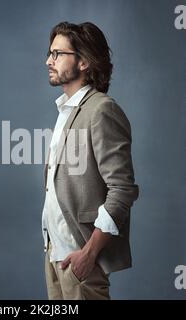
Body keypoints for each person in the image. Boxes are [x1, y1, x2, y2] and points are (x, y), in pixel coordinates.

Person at [41, 21, 139, 300]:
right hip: (55, 256)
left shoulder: (101, 110)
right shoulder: (65, 111)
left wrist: (89, 253)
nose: (49, 60)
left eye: (58, 54)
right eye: (50, 53)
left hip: (81, 259)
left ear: (83, 61)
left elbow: (122, 190)